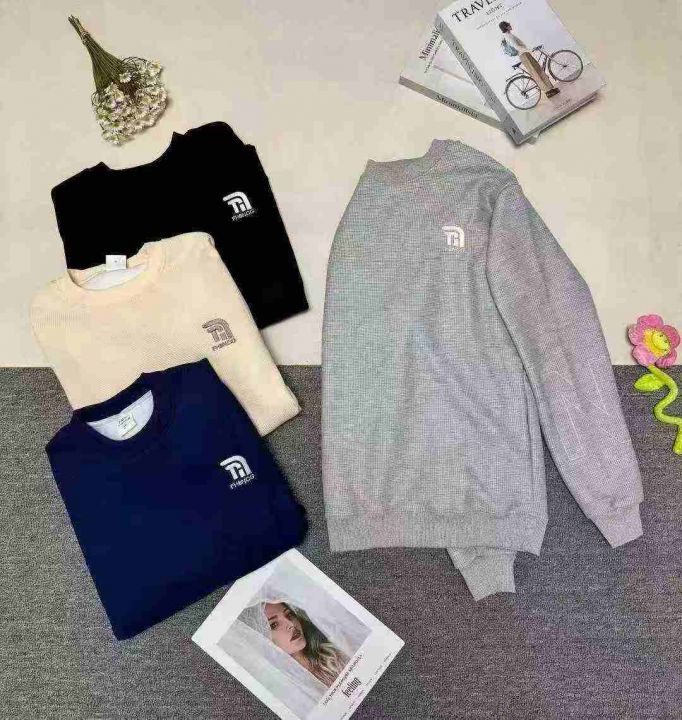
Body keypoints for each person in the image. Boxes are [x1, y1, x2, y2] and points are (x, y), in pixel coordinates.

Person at [264, 601, 349, 687]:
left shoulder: (334, 652)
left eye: (289, 614)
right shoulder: (285, 685)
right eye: (274, 624)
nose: (291, 624)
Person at [499, 20, 559, 99]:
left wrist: (530, 49)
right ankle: (548, 92)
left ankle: (550, 88)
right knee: (536, 73)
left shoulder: (509, 35)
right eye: (508, 25)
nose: (510, 25)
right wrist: (530, 50)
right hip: (524, 55)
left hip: (525, 54)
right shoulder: (508, 36)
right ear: (506, 27)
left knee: (539, 71)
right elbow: (517, 47)